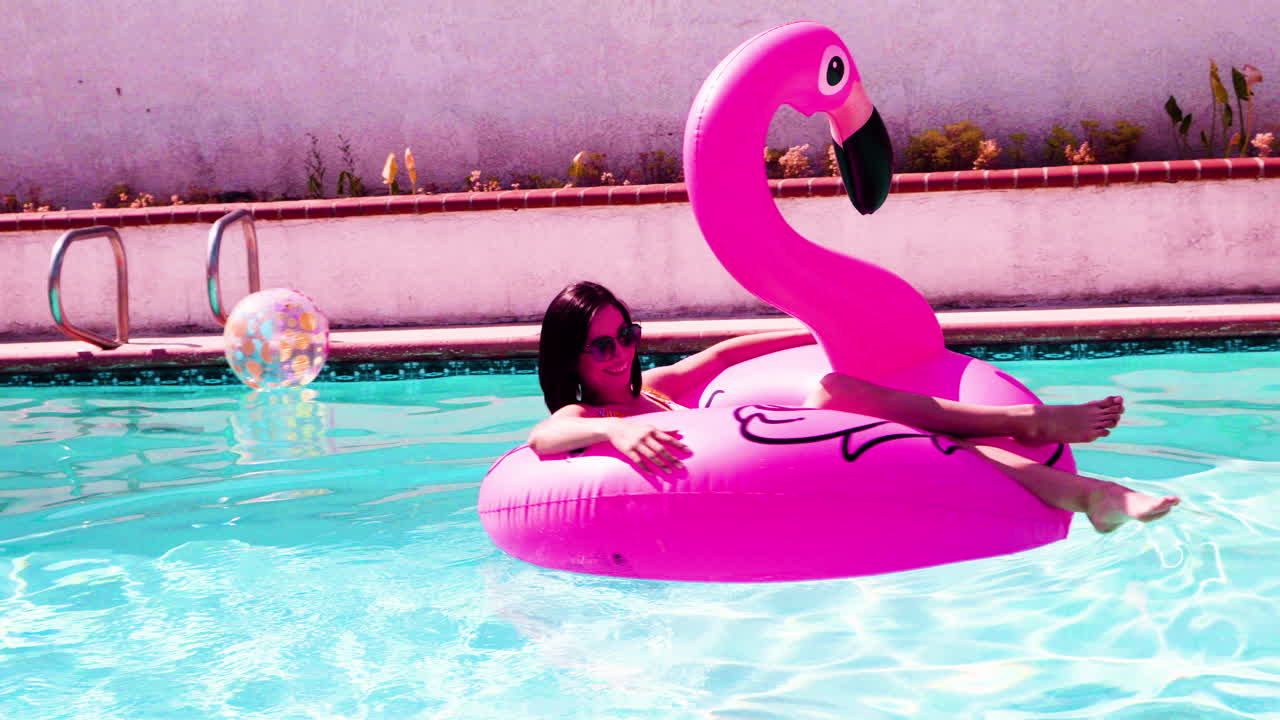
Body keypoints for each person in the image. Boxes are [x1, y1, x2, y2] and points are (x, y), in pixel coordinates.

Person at [528, 281, 1178, 533]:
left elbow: (724, 357)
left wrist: (819, 327)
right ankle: (1036, 432)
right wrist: (616, 441)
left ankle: (1088, 493)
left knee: (923, 442)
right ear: (571, 362)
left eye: (627, 334)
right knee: (838, 394)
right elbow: (544, 437)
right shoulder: (595, 421)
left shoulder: (662, 387)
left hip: (805, 465)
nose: (619, 353)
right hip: (767, 491)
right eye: (600, 345)